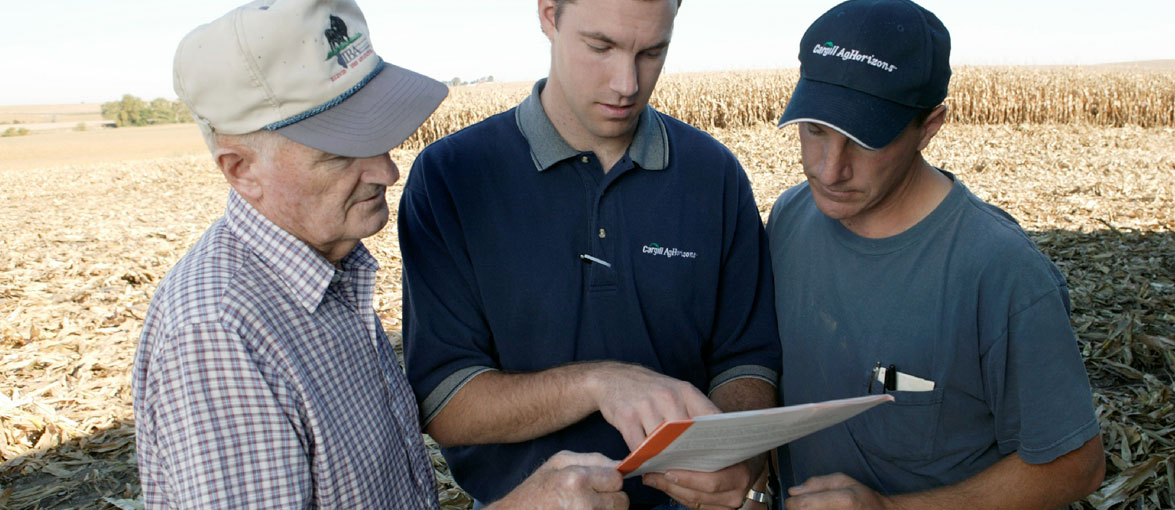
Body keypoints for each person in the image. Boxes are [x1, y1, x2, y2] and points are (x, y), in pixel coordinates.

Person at [132, 0, 627, 508]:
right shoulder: (220, 337)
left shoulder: (325, 275)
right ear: (241, 169)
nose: (387, 173)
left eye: (378, 136)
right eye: (339, 152)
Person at [397, 0, 782, 507]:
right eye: (601, 47)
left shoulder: (714, 174)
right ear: (549, 15)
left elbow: (746, 361)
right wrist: (600, 384)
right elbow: (445, 402)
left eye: (652, 52)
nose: (627, 83)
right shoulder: (451, 177)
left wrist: (739, 460)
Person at [766, 1, 1106, 509]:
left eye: (864, 140)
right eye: (815, 129)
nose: (829, 169)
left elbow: (1077, 465)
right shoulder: (791, 217)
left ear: (929, 126)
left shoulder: (1002, 273)